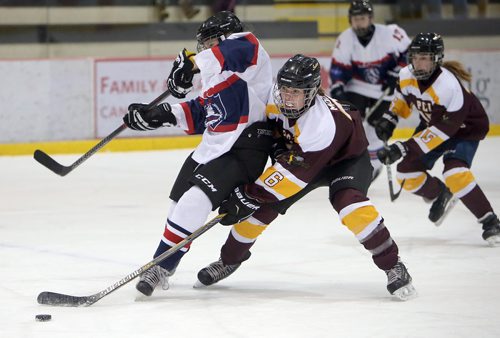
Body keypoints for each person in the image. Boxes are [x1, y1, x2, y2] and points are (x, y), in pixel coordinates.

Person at [195, 54, 417, 301]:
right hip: (303, 159)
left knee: (350, 205)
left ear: (311, 93)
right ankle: (228, 260)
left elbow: (293, 174)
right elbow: (272, 134)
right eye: (285, 89)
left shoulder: (320, 124)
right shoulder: (272, 100)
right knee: (259, 210)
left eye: (296, 92)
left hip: (345, 161)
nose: (288, 96)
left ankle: (393, 265)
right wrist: (276, 150)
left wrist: (249, 195)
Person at [122, 11, 274, 297]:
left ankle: (160, 264)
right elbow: (203, 112)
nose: (204, 49)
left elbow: (231, 51)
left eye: (208, 43)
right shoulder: (215, 76)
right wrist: (159, 115)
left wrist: (191, 64)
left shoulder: (249, 51)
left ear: (226, 36)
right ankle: (168, 263)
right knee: (178, 207)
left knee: (195, 202)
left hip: (245, 148)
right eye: (201, 45)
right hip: (212, 148)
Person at [375, 32, 500, 245]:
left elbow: (440, 133)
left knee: (455, 172)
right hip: (434, 124)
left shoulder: (447, 86)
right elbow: (401, 102)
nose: (418, 63)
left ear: (436, 59)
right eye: (415, 57)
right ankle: (442, 193)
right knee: (405, 174)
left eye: (424, 58)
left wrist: (402, 148)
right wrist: (389, 120)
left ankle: (490, 221)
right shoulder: (406, 75)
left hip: (464, 129)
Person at [329, 0, 411, 180]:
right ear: (350, 20)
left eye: (363, 18)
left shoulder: (391, 33)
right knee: (347, 125)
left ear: (371, 18)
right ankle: (346, 162)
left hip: (386, 91)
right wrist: (337, 89)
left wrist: (396, 73)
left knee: (375, 129)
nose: (359, 23)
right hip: (357, 88)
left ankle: (373, 167)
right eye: (355, 19)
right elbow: (337, 69)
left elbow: (410, 53)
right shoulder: (345, 39)